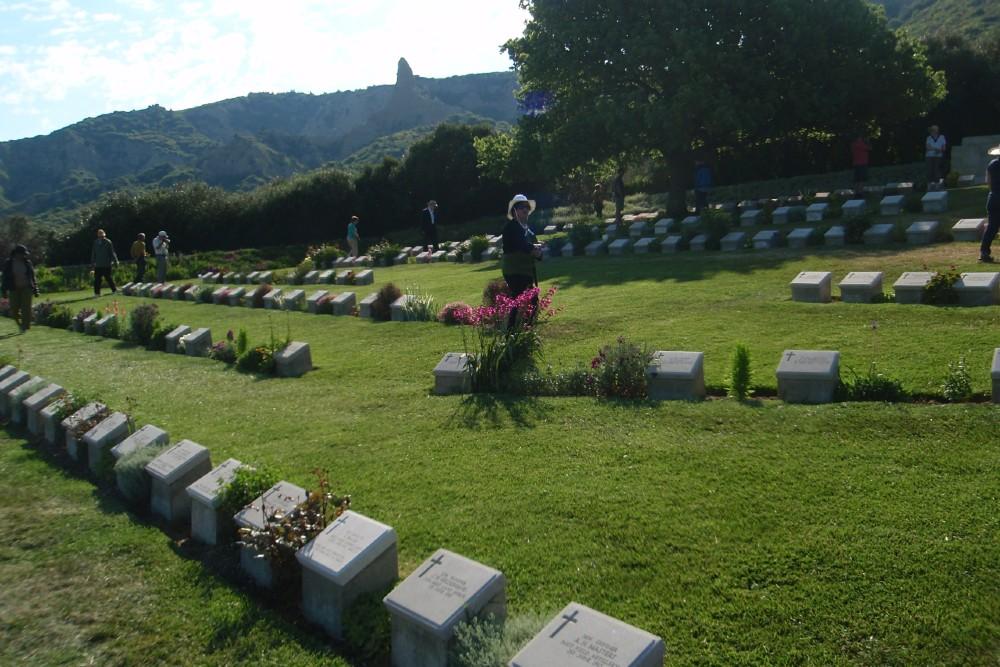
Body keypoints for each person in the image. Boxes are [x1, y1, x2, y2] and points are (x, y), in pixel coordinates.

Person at [501, 194, 542, 301]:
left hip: (527, 271)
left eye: (527, 207)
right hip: (514, 271)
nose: (525, 210)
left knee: (532, 302)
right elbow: (521, 244)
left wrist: (539, 253)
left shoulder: (529, 230)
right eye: (521, 207)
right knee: (518, 302)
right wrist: (533, 247)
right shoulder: (511, 227)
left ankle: (525, 318)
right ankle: (513, 318)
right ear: (514, 210)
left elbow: (535, 249)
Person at [1, 245, 40, 332]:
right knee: (14, 309)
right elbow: (4, 277)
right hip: (13, 288)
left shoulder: (27, 262)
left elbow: (32, 276)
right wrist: (3, 290)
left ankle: (25, 326)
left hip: (26, 288)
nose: (24, 256)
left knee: (26, 308)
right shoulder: (9, 263)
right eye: (22, 254)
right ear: (16, 254)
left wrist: (36, 289)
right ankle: (19, 323)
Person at [980, 144, 1000, 263]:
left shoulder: (992, 164)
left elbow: (988, 181)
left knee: (992, 228)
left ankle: (984, 252)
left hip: (993, 198)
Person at [91, 228, 119, 296]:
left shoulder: (108, 242)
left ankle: (114, 290)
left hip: (106, 264)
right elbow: (94, 253)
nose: (102, 237)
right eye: (100, 236)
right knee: (97, 280)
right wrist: (93, 263)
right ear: (98, 236)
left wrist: (115, 261)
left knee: (108, 278)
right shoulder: (96, 242)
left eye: (102, 236)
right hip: (98, 265)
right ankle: (97, 293)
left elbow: (112, 252)